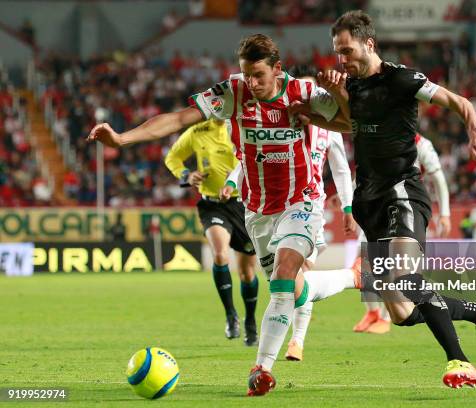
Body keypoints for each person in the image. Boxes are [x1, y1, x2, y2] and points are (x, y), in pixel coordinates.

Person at [87, 34, 356, 397]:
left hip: (302, 201)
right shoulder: (234, 92)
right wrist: (122, 139)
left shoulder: (303, 94)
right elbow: (179, 118)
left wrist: (339, 94)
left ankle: (261, 369)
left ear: (278, 69)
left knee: (284, 275)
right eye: (247, 75)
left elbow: (354, 122)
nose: (253, 83)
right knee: (292, 290)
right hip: (257, 210)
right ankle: (351, 277)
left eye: (259, 75)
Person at [292, 10, 476, 388]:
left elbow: (460, 101)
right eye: (338, 52)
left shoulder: (403, 79)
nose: (342, 59)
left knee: (406, 275)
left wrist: (474, 131)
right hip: (369, 200)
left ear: (368, 44)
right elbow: (349, 122)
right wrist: (309, 113)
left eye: (348, 50)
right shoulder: (350, 86)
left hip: (402, 192)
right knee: (402, 313)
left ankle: (460, 361)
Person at [223, 64, 357, 362]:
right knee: (287, 284)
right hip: (270, 209)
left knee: (298, 271)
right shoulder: (280, 122)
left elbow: (340, 169)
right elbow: (251, 154)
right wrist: (233, 179)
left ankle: (296, 341)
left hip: (309, 205)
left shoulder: (328, 129)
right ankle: (351, 277)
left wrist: (348, 207)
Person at [165, 118, 259, 346]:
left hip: (244, 205)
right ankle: (230, 314)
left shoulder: (245, 125)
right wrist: (187, 174)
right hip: (212, 205)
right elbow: (172, 158)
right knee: (220, 254)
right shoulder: (197, 131)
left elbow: (253, 159)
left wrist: (236, 184)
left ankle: (250, 321)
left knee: (247, 272)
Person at [353, 133, 452, 334]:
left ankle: (389, 315)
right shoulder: (376, 136)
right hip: (377, 206)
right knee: (364, 259)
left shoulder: (421, 144)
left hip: (406, 207)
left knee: (402, 268)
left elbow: (437, 176)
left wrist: (445, 213)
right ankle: (374, 313)